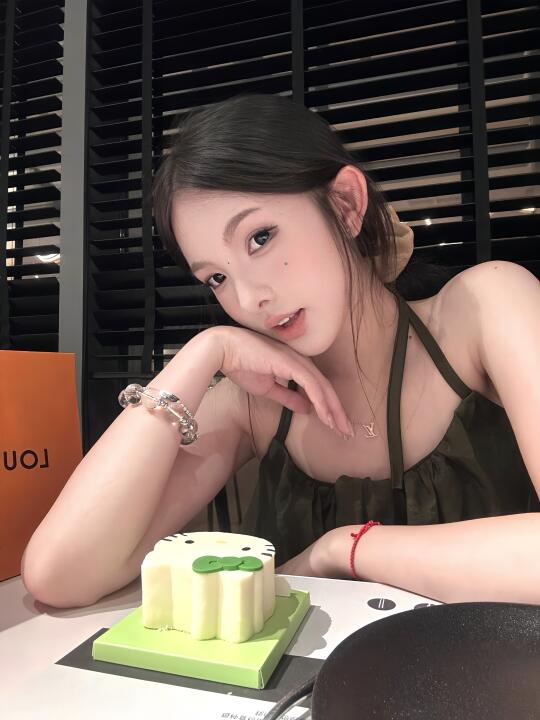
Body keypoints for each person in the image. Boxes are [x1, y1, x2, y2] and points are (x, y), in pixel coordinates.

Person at [21, 93, 540, 609]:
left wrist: (345, 548)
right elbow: (58, 575)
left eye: (260, 237)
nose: (249, 299)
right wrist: (206, 351)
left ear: (345, 205)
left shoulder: (481, 309)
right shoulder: (256, 404)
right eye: (216, 277)